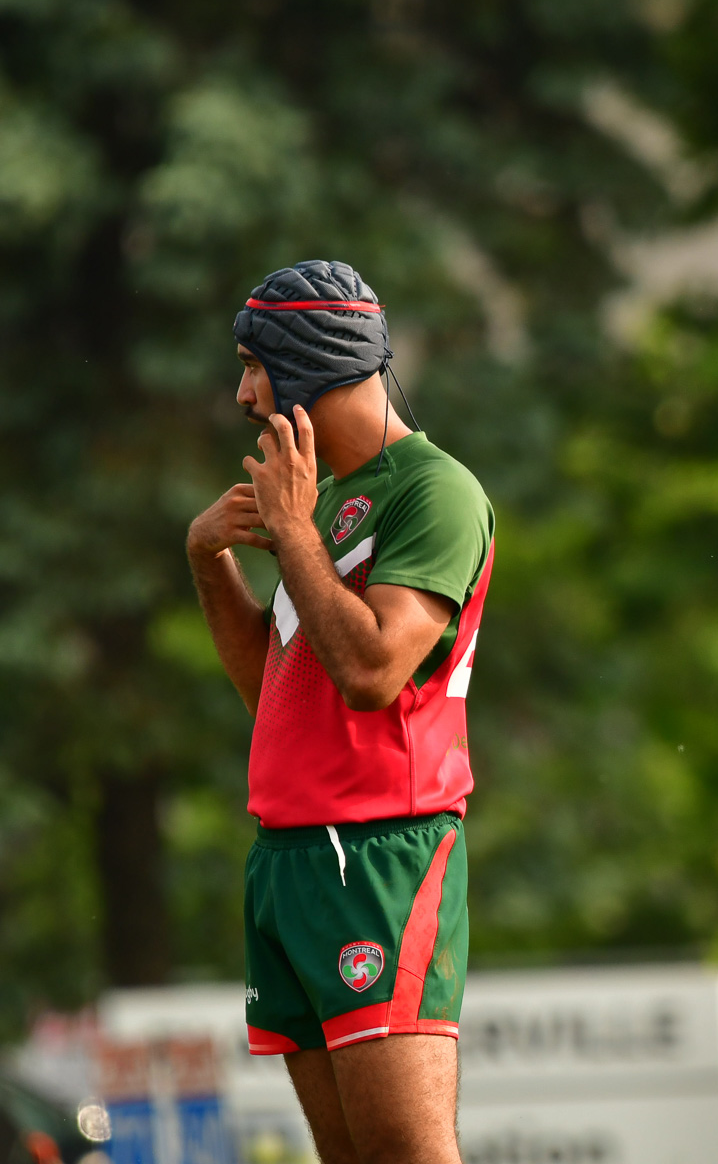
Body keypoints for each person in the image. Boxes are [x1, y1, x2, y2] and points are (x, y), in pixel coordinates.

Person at [186, 260, 493, 1164]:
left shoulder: (434, 490)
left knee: (406, 1154)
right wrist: (210, 559)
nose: (244, 395)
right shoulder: (318, 502)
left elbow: (370, 669)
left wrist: (296, 535)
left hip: (376, 851)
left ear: (315, 364)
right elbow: (272, 694)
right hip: (287, 859)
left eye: (256, 366)